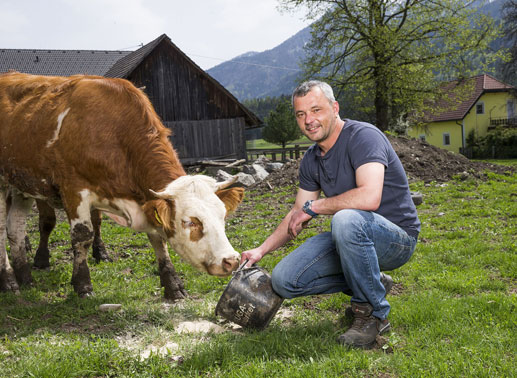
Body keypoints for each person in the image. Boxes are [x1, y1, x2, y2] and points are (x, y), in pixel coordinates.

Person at [241, 80, 420, 349]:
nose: (309, 120)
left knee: (346, 218)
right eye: (301, 114)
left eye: (316, 110)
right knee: (284, 280)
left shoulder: (363, 137)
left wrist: (316, 207)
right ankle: (373, 281)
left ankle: (371, 314)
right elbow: (297, 212)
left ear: (335, 108)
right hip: (352, 237)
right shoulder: (311, 159)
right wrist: (261, 250)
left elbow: (369, 197)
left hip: (396, 238)